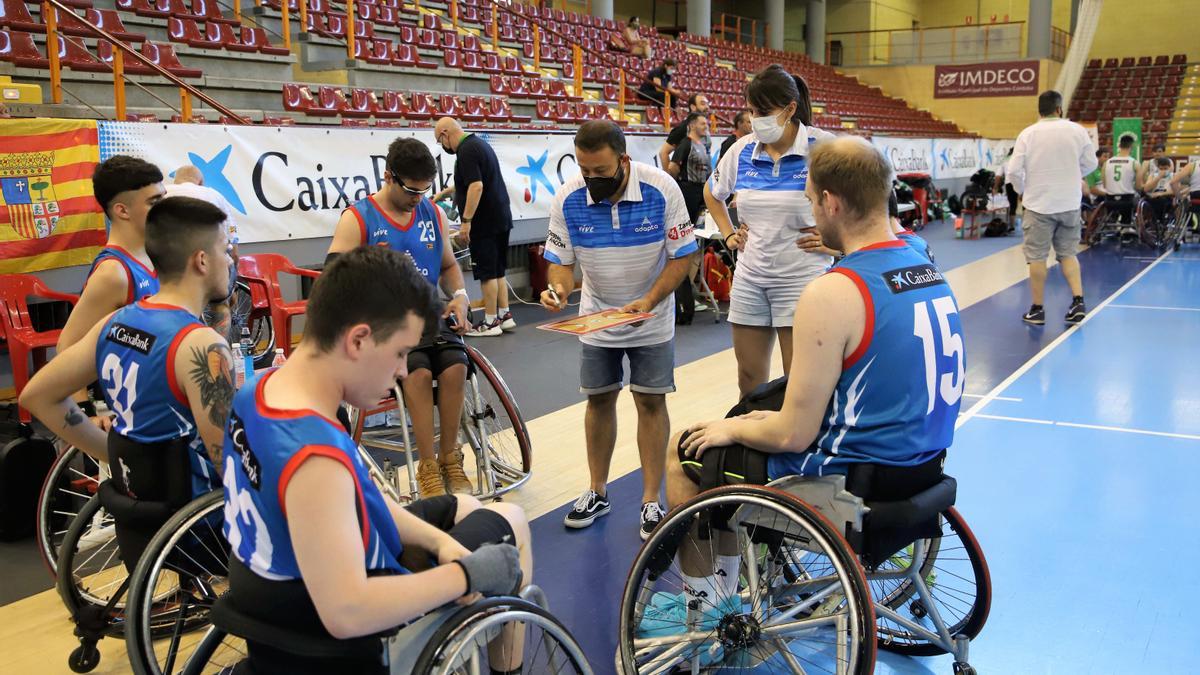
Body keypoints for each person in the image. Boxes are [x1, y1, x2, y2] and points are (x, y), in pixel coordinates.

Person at [649, 136, 963, 635]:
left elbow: (794, 436)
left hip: (850, 481)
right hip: (923, 466)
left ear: (832, 203)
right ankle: (737, 582)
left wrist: (735, 431)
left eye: (812, 201)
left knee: (688, 449)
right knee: (756, 415)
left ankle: (709, 616)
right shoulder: (924, 260)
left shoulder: (834, 290)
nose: (812, 214)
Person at [221, 246, 531, 673]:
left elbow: (354, 496)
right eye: (402, 352)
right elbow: (348, 611)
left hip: (277, 592)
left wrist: (439, 541)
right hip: (359, 622)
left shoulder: (258, 392)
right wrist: (465, 576)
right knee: (512, 522)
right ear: (359, 340)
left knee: (468, 506)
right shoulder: (315, 458)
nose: (404, 371)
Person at [20, 196, 233, 550]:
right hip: (201, 526)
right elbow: (230, 466)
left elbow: (36, 396)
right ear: (201, 260)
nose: (230, 259)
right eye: (226, 249)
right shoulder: (200, 345)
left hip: (137, 511)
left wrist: (115, 456)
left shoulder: (114, 322)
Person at [539, 120, 697, 539]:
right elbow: (561, 263)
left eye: (601, 173)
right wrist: (556, 290)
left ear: (623, 160)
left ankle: (650, 501)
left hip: (651, 315)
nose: (592, 181)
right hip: (597, 316)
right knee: (599, 400)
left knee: (649, 401)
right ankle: (597, 490)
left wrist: (649, 300)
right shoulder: (568, 196)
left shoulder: (662, 189)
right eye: (585, 171)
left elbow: (682, 258)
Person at [327, 138, 474, 498]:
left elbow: (448, 266)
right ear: (388, 176)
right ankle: (427, 467)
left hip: (428, 313)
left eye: (425, 191)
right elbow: (335, 275)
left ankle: (450, 458)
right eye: (411, 190)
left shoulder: (432, 214)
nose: (417, 198)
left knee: (456, 366)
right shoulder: (358, 217)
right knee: (419, 372)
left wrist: (459, 297)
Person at [704, 64, 836, 398]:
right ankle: (751, 443)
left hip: (802, 279)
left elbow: (859, 205)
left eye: (763, 112)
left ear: (790, 108)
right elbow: (713, 193)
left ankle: (797, 446)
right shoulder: (741, 150)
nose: (754, 119)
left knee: (799, 383)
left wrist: (837, 244)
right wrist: (729, 234)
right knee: (749, 378)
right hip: (751, 278)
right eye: (751, 111)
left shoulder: (823, 148)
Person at [57, 156, 165, 426]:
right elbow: (68, 345)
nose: (165, 209)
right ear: (122, 211)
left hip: (155, 398)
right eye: (154, 202)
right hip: (123, 408)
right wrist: (86, 413)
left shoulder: (154, 255)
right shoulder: (113, 273)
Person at [1006, 90, 1096, 326]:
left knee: (1037, 257)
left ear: (1040, 110)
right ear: (1059, 109)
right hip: (1069, 203)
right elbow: (1091, 163)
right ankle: (1078, 302)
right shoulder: (1077, 131)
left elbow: (1013, 171)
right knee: (1068, 254)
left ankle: (1037, 310)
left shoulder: (1028, 133)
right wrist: (1071, 174)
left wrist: (1022, 189)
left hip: (1038, 205)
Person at [434, 117, 516, 337]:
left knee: (487, 273)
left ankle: (490, 322)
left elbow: (476, 186)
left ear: (444, 134)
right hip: (500, 216)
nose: (443, 147)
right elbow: (470, 181)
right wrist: (443, 193)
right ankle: (504, 315)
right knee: (498, 269)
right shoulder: (479, 144)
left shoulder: (466, 152)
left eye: (439, 141)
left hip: (484, 221)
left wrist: (466, 221)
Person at [165, 164, 241, 341]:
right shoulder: (214, 195)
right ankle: (219, 350)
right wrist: (234, 274)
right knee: (220, 304)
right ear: (200, 182)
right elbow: (233, 242)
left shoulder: (163, 193)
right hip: (211, 261)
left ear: (176, 180)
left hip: (172, 264)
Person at [669, 113, 713, 325]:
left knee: (696, 244)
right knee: (685, 240)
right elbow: (672, 168)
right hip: (686, 192)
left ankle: (690, 290)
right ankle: (683, 293)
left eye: (707, 123)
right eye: (703, 123)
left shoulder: (704, 145)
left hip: (700, 195)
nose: (706, 126)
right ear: (693, 124)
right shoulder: (685, 144)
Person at [658, 94, 711, 174]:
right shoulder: (683, 128)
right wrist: (669, 179)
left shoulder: (704, 128)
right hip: (687, 182)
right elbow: (663, 152)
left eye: (707, 104)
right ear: (693, 107)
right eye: (703, 104)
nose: (707, 107)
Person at [1102, 134, 1138, 229]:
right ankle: (1127, 228)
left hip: (1109, 200)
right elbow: (1139, 186)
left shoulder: (1107, 162)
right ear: (1131, 146)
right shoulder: (1134, 163)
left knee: (1111, 213)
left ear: (1119, 146)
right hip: (1127, 201)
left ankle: (1111, 225)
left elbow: (1105, 185)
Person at [1142, 156, 1176, 225]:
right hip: (1153, 197)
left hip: (1166, 197)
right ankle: (1147, 221)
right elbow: (1146, 189)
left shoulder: (1173, 176)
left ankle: (1158, 221)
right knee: (1144, 200)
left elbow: (1175, 191)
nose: (1163, 171)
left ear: (1169, 167)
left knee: (1160, 201)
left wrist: (1160, 193)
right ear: (1158, 168)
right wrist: (1158, 177)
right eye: (1161, 169)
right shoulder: (1153, 176)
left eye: (1165, 169)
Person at [1169, 158, 1200, 231]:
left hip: (1196, 198)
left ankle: (1192, 230)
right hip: (1195, 195)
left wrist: (1179, 197)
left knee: (1186, 202)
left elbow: (1173, 182)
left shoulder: (1193, 165)